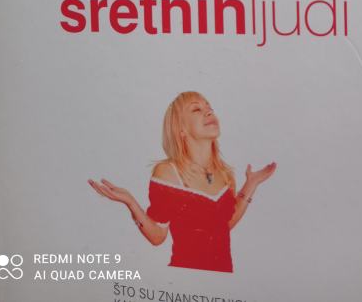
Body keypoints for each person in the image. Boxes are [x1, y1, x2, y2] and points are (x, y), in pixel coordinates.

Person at [88, 91, 276, 273]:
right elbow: (157, 237)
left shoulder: (226, 174)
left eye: (209, 108)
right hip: (185, 278)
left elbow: (223, 226)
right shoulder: (168, 172)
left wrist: (251, 184)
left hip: (223, 279)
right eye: (197, 109)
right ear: (181, 130)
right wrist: (130, 202)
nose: (209, 112)